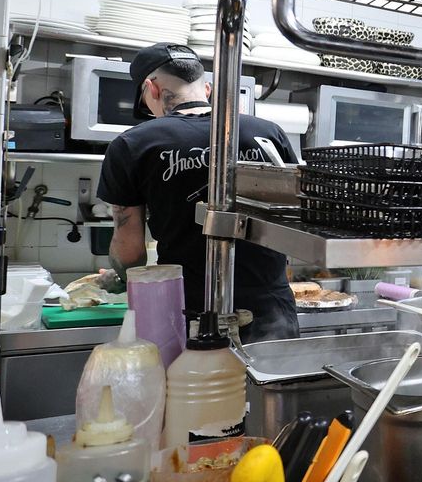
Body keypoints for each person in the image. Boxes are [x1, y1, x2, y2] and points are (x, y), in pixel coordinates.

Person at [97, 43, 301, 343]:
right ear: (206, 89)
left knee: (200, 389)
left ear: (151, 89)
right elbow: (292, 218)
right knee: (271, 388)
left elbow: (130, 252)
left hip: (191, 310)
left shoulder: (132, 145)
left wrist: (119, 275)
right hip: (271, 307)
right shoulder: (268, 132)